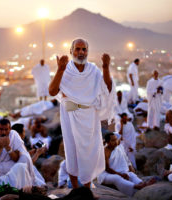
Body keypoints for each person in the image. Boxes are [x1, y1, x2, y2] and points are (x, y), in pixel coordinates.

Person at [49, 38, 115, 189]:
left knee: (90, 150)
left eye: (84, 49)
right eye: (77, 49)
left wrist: (105, 67)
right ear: (71, 51)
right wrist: (60, 70)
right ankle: (76, 189)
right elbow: (52, 91)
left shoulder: (93, 70)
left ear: (87, 52)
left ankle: (87, 188)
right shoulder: (65, 70)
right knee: (72, 149)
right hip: (71, 112)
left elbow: (107, 87)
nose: (80, 52)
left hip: (89, 114)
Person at [0, 118, 45, 189]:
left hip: (12, 164)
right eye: (1, 129)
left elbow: (16, 159)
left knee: (24, 161)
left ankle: (27, 184)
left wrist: (7, 147)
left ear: (10, 129)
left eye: (6, 129)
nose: (3, 132)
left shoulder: (13, 135)